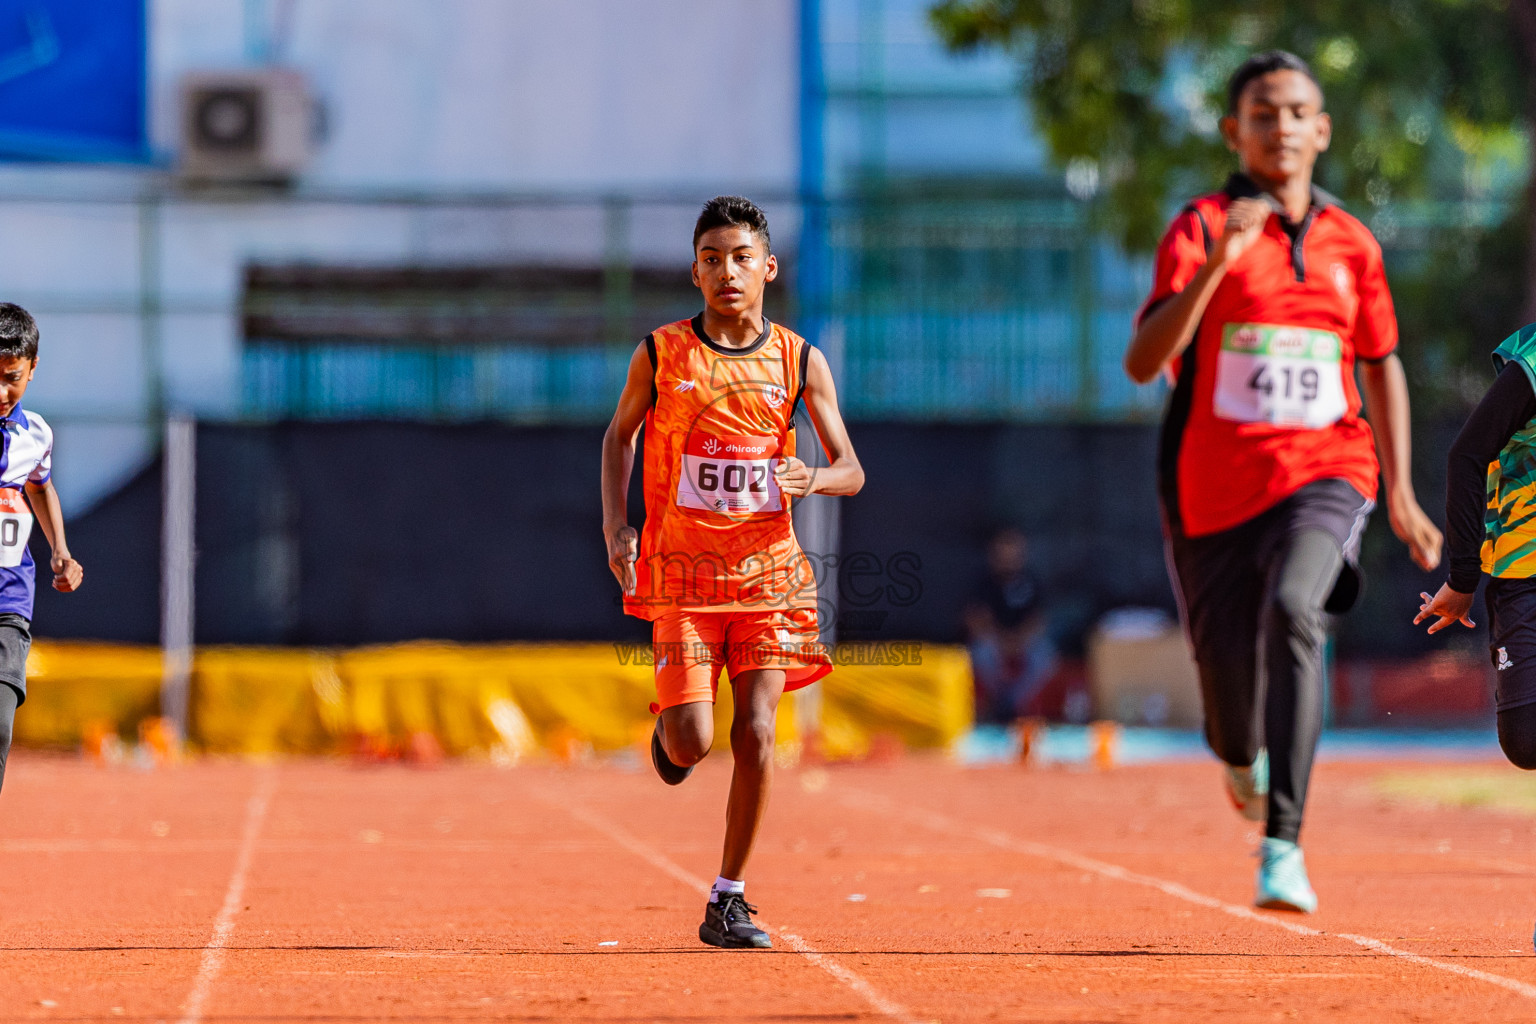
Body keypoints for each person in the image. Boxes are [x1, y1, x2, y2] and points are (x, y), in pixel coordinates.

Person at [1125, 51, 1441, 912]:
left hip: (1328, 470)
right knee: (1230, 710)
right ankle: (1240, 761)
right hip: (1212, 491)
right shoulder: (1198, 225)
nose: (1282, 128)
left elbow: (1381, 365)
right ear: (1235, 131)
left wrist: (1403, 492)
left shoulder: (1352, 245)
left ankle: (1284, 846)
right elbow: (1143, 360)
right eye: (1263, 114)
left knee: (1297, 608)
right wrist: (1220, 265)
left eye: (1298, 112)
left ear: (1322, 129)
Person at [600, 196, 863, 948]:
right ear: (695, 273)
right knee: (692, 741)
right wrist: (617, 526)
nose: (728, 272)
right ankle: (671, 742)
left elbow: (851, 469)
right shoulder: (659, 354)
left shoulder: (801, 361)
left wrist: (812, 476)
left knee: (755, 730)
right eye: (712, 260)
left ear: (768, 268)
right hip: (682, 576)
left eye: (742, 257)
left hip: (768, 580)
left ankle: (728, 897)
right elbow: (618, 438)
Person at [1417, 324, 1536, 773]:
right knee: (1525, 741)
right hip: (1526, 565)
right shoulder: (1533, 358)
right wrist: (1462, 576)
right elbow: (1466, 457)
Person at [0, 303, 84, 797]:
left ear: (32, 370)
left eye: (11, 377)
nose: (0, 391)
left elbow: (39, 486)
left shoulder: (37, 435)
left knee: (0, 723)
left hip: (9, 598)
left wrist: (61, 551)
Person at [964, 527, 1057, 724]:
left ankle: (1013, 704)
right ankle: (1000, 701)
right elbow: (976, 619)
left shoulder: (1031, 581)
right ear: (994, 554)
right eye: (1003, 552)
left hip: (1024, 640)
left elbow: (1039, 620)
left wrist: (1019, 640)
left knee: (1045, 656)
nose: (1008, 557)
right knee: (981, 653)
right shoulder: (983, 582)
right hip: (994, 639)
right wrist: (1002, 641)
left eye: (1013, 551)